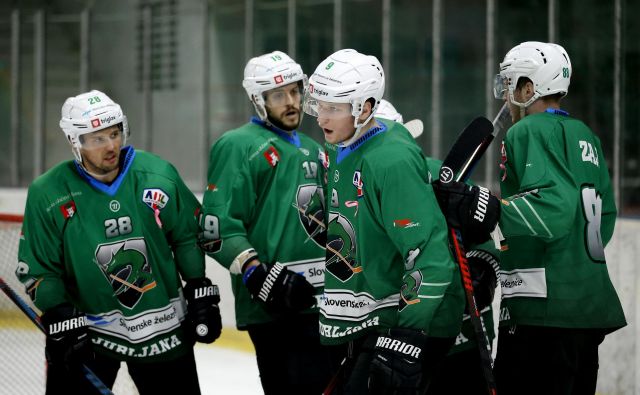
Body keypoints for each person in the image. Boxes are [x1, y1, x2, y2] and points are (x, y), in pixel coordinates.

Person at [302, 48, 500, 394]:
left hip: (399, 326)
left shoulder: (390, 160)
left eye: (332, 108)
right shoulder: (341, 147)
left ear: (364, 108)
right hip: (367, 319)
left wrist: (408, 335)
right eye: (320, 105)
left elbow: (429, 256)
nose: (321, 117)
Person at [15, 90, 222, 395]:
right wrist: (58, 312)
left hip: (162, 329)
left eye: (114, 133)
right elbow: (41, 268)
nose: (111, 145)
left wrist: (198, 288)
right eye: (97, 139)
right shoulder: (48, 193)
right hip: (87, 335)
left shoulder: (158, 175)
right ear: (75, 141)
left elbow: (186, 237)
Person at [492, 41, 626, 394]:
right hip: (588, 307)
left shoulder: (526, 131)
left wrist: (492, 209)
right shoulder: (587, 137)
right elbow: (604, 216)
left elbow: (553, 207)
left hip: (542, 313)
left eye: (510, 84)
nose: (505, 95)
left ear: (529, 88)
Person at [198, 50, 336, 394]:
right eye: (278, 96)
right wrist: (256, 273)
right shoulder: (238, 145)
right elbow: (215, 229)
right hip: (274, 306)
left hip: (321, 300)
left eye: (294, 92)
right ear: (258, 100)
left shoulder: (310, 146)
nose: (291, 102)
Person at [375, 99, 501, 395]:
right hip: (425, 334)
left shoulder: (432, 173)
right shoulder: (423, 172)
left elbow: (485, 240)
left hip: (436, 334)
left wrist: (481, 271)